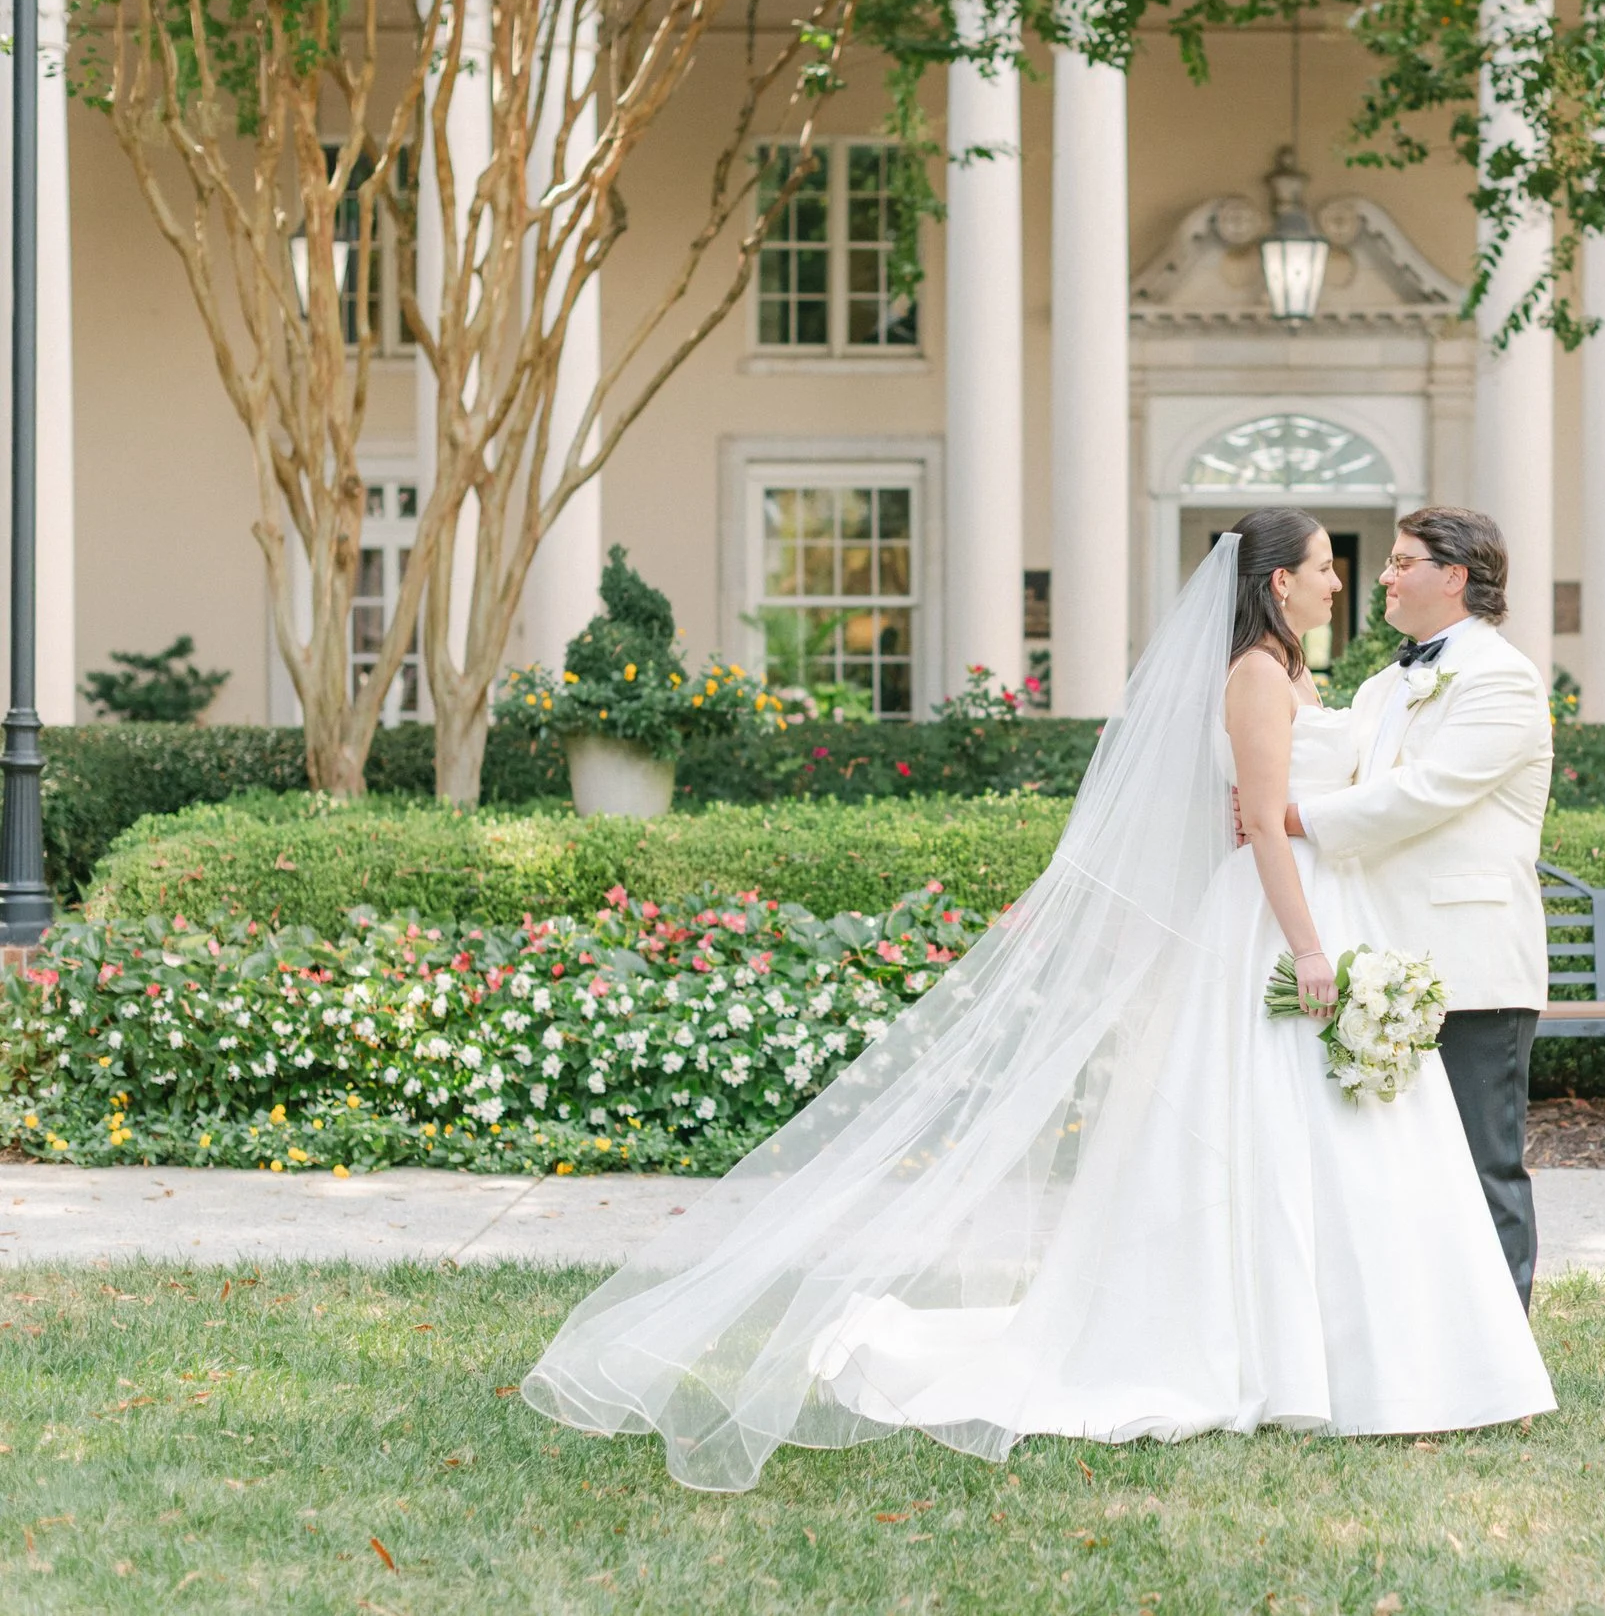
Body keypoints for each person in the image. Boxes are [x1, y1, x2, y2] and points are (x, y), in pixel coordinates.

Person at [522, 509, 1552, 1492]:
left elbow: (1338, 799)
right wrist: (1307, 936)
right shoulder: (1258, 672)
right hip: (1282, 922)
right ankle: (1281, 1346)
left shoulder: (1329, 674)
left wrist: (1295, 841)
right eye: (1331, 564)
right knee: (1262, 1135)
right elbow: (1263, 817)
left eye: (1376, 562)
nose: (1351, 578)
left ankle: (1362, 1345)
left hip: (1336, 912)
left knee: (1328, 1144)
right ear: (1280, 582)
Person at [1280, 507, 1554, 1308]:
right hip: (1381, 957)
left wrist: (1296, 819)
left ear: (1456, 577)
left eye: (1403, 562)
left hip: (1470, 960)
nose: (1385, 576)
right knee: (1397, 1165)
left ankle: (1505, 1336)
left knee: (1482, 1160)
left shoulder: (1504, 677)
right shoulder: (1378, 685)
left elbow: (1424, 794)